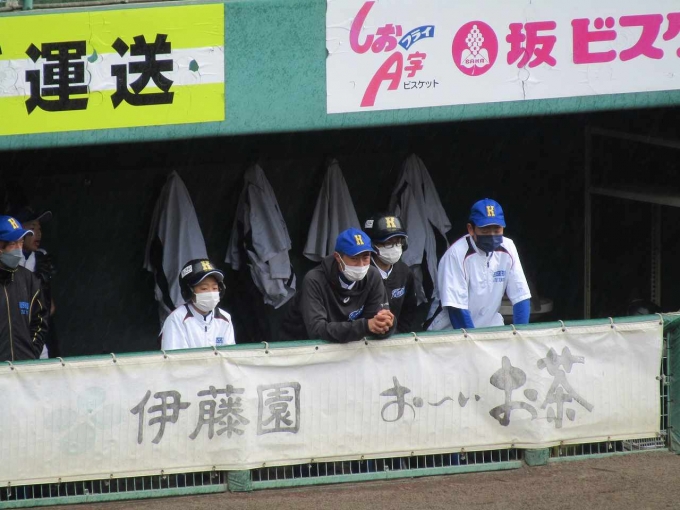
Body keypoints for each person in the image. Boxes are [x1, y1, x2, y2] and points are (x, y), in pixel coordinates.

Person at [427, 198, 531, 330]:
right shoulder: (456, 254)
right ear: (471, 229)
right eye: (485, 230)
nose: (492, 235)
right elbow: (457, 309)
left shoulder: (508, 247)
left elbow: (521, 296)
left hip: (489, 324)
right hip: (449, 330)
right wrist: (474, 340)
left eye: (497, 230)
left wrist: (520, 335)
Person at [282, 228, 395, 342]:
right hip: (301, 346)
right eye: (354, 258)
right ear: (338, 257)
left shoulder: (373, 275)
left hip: (354, 345)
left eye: (366, 257)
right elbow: (317, 330)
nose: (361, 265)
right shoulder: (314, 279)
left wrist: (386, 323)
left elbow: (375, 323)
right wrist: (364, 327)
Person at [0, 215, 49, 361]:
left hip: (23, 369)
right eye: (13, 244)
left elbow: (40, 321)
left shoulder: (29, 280)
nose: (18, 249)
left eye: (20, 243)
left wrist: (30, 353)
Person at [160, 259, 235, 350]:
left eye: (215, 288)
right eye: (204, 288)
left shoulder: (225, 318)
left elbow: (229, 355)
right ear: (188, 291)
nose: (211, 293)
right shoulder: (177, 319)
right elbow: (175, 357)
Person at [13, 206, 57, 358]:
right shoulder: (7, 259)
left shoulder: (41, 259)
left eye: (39, 229)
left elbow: (50, 307)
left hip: (35, 334)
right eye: (32, 228)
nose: (38, 233)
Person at [363, 213, 418, 333]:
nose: (395, 247)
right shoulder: (360, 272)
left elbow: (409, 310)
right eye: (388, 243)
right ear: (373, 244)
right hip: (364, 337)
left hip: (395, 338)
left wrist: (398, 335)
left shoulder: (404, 272)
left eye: (398, 242)